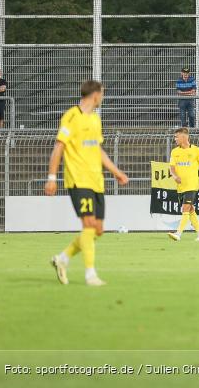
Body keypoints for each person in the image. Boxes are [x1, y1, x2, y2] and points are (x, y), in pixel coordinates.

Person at [46, 80, 130, 286]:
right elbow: (59, 146)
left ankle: (62, 259)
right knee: (89, 224)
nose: (103, 97)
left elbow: (97, 150)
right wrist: (52, 177)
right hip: (78, 179)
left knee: (97, 230)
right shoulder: (71, 116)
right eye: (102, 94)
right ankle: (90, 274)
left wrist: (116, 172)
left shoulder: (95, 119)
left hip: (96, 181)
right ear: (95, 94)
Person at [167, 128, 199, 242]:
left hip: (192, 185)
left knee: (185, 208)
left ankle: (178, 234)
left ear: (184, 137)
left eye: (177, 136)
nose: (175, 139)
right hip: (181, 187)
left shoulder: (197, 150)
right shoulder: (174, 152)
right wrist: (174, 176)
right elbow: (171, 168)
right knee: (191, 209)